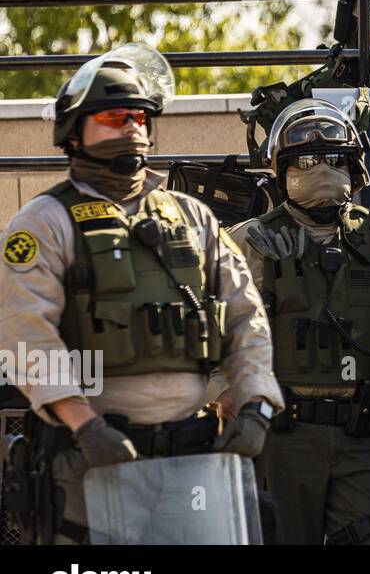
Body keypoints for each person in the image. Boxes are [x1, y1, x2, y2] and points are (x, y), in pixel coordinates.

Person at [0, 44, 281, 544]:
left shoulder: (192, 217)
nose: (130, 126)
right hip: (89, 456)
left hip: (192, 457)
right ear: (73, 131)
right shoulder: (44, 221)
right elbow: (25, 336)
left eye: (138, 116)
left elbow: (245, 317)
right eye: (113, 115)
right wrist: (85, 426)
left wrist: (256, 402)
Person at [220, 98, 370, 545]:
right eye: (306, 161)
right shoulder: (249, 241)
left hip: (365, 434)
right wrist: (224, 393)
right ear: (281, 172)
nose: (322, 169)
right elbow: (203, 323)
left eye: (334, 159)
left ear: (355, 168)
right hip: (284, 436)